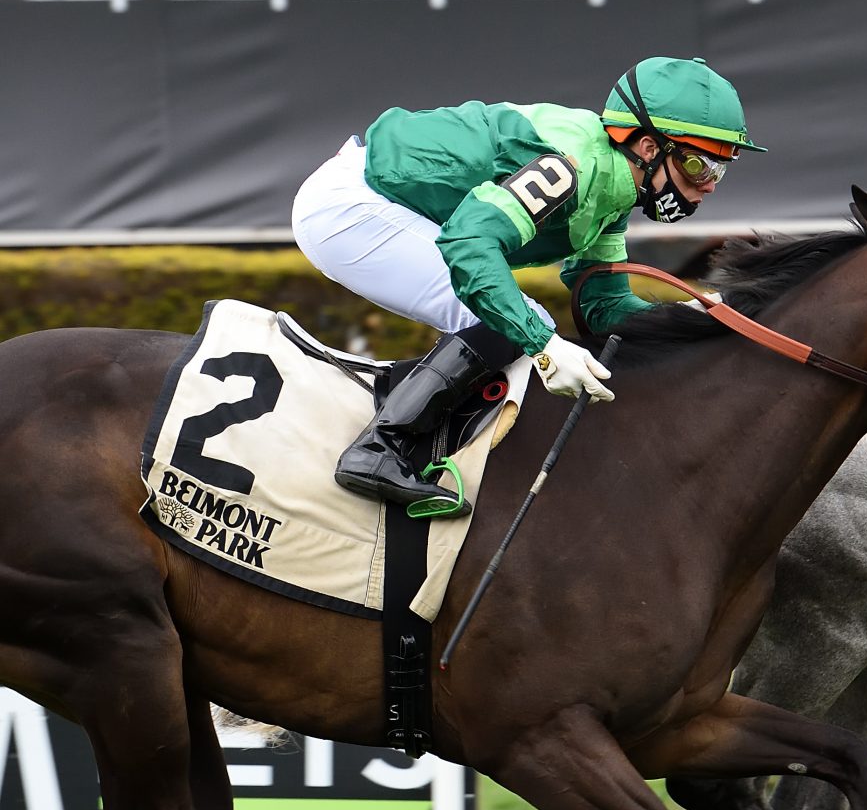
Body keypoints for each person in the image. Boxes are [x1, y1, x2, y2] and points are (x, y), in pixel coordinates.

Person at [291, 56, 763, 513]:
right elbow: (470, 244)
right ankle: (380, 448)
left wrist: (693, 317)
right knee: (519, 319)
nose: (710, 186)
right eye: (701, 167)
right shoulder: (571, 168)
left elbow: (601, 304)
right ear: (647, 147)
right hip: (352, 205)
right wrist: (543, 344)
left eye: (721, 170)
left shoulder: (615, 190)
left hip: (375, 200)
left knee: (519, 320)